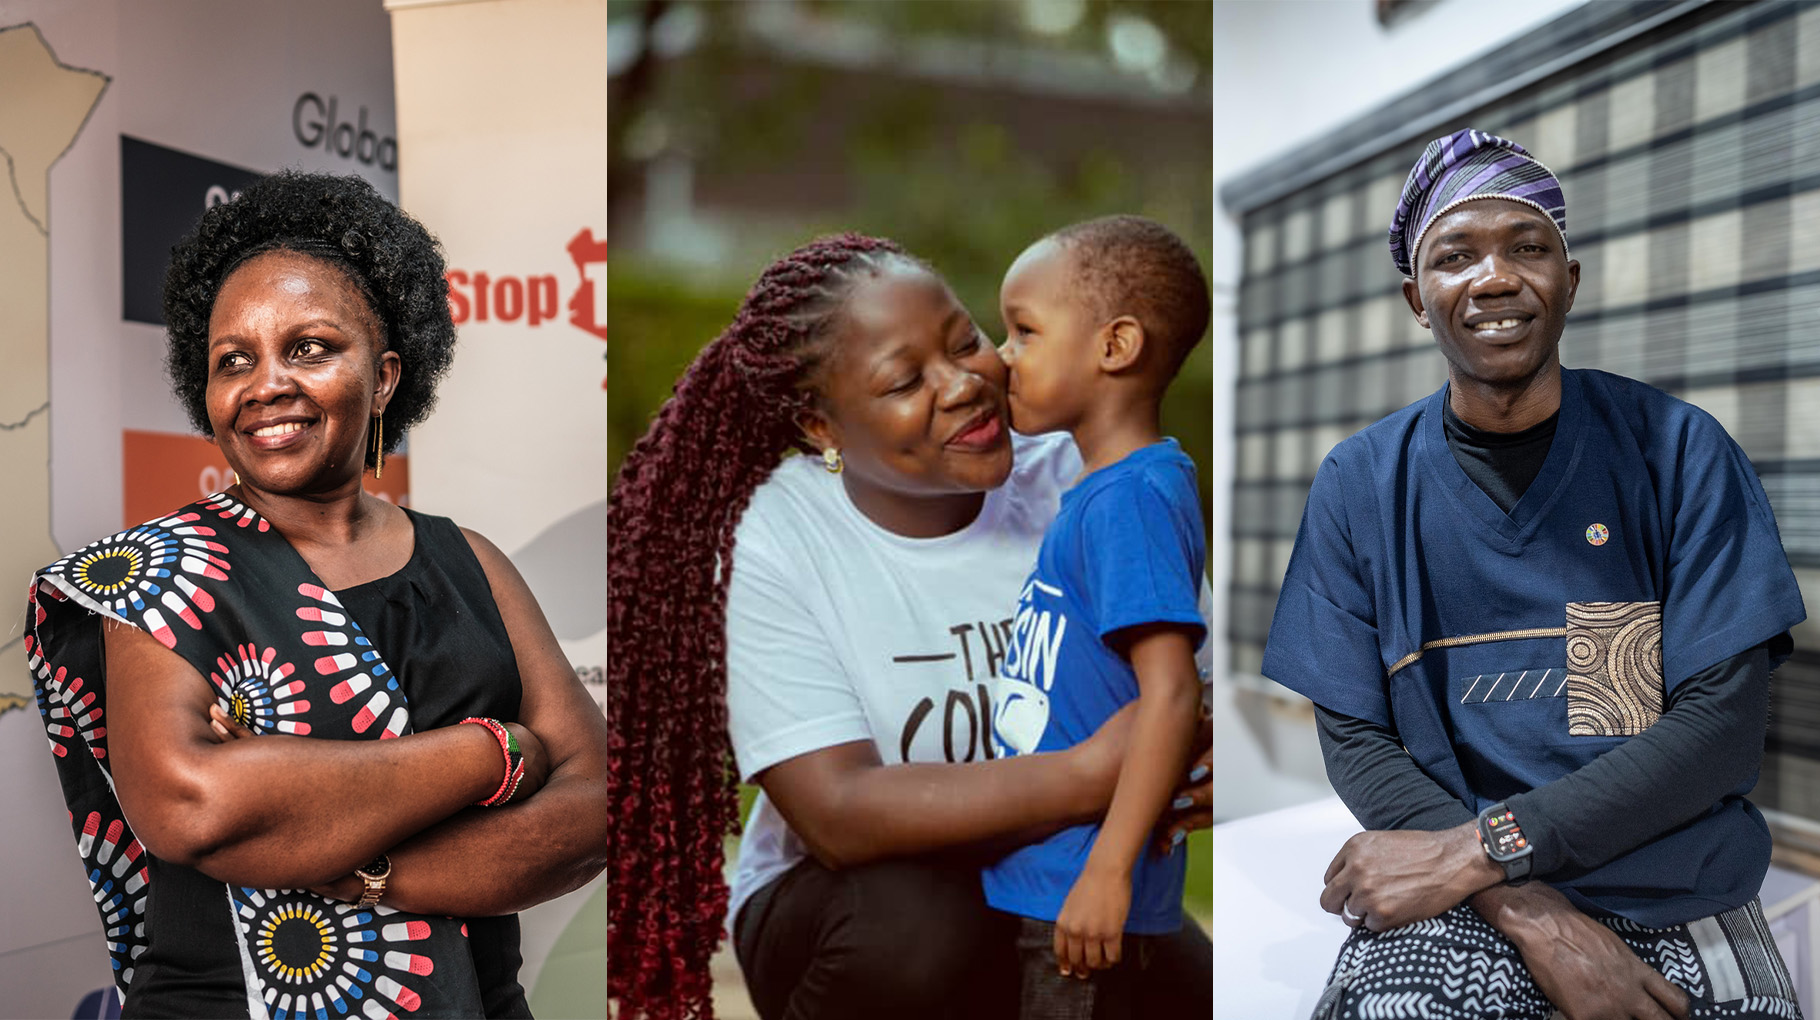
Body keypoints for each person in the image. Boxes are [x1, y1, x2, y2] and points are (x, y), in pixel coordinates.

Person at [25, 170, 609, 1018]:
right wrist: (497, 753)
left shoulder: (469, 561)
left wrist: (362, 869)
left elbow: (594, 809)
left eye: (309, 348)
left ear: (384, 376)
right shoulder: (161, 572)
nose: (266, 385)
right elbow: (194, 805)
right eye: (234, 361)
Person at [1264, 128, 1807, 1020]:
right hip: (1459, 889)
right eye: (1456, 255)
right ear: (1416, 297)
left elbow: (1720, 728)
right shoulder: (1361, 484)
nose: (1494, 278)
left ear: (1570, 280)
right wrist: (1519, 900)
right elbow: (1358, 738)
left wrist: (1484, 849)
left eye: (1527, 248)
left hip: (1673, 875)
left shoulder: (1676, 452)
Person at [606, 233, 1214, 1020]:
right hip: (854, 905)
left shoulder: (1086, 471)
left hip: (1050, 867)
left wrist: (1196, 761)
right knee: (920, 928)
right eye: (904, 381)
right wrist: (1100, 773)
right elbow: (838, 814)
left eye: (968, 341)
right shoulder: (773, 533)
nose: (965, 383)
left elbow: (1182, 699)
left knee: (1186, 985)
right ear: (822, 427)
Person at [981, 216, 1209, 1020]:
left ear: (1114, 347)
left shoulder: (1129, 501)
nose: (1001, 356)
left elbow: (1171, 695)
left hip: (1078, 900)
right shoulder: (1108, 490)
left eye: (1024, 332)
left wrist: (1109, 870)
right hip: (1050, 886)